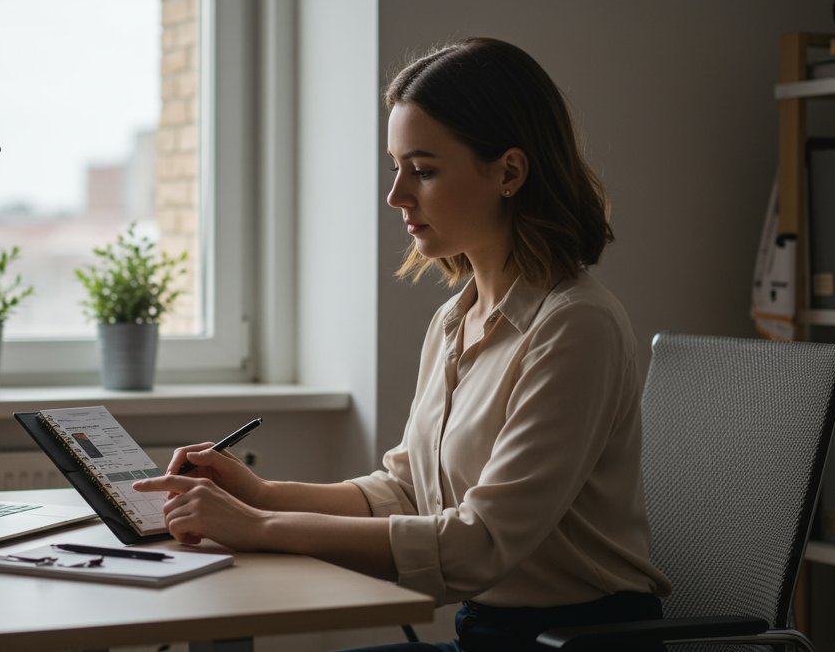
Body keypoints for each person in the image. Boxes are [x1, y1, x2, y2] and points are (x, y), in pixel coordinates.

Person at [133, 37, 671, 652]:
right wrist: (260, 493)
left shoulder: (576, 326)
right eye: (396, 168)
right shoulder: (454, 320)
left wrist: (260, 526)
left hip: (571, 643)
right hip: (487, 637)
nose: (396, 196)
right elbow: (409, 491)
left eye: (424, 170)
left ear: (510, 172)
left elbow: (478, 545)